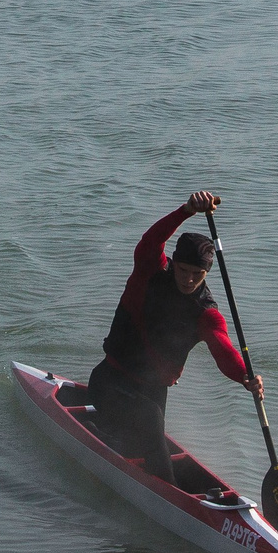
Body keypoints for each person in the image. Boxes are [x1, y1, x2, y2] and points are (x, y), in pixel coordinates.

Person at [88, 191, 262, 485]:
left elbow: (223, 348)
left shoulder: (205, 313)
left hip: (154, 391)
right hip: (109, 381)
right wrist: (186, 211)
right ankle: (168, 492)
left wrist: (246, 376)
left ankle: (107, 433)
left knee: (144, 433)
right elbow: (150, 241)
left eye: (198, 274)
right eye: (183, 270)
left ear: (207, 272)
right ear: (173, 264)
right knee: (150, 419)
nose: (189, 279)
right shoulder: (149, 272)